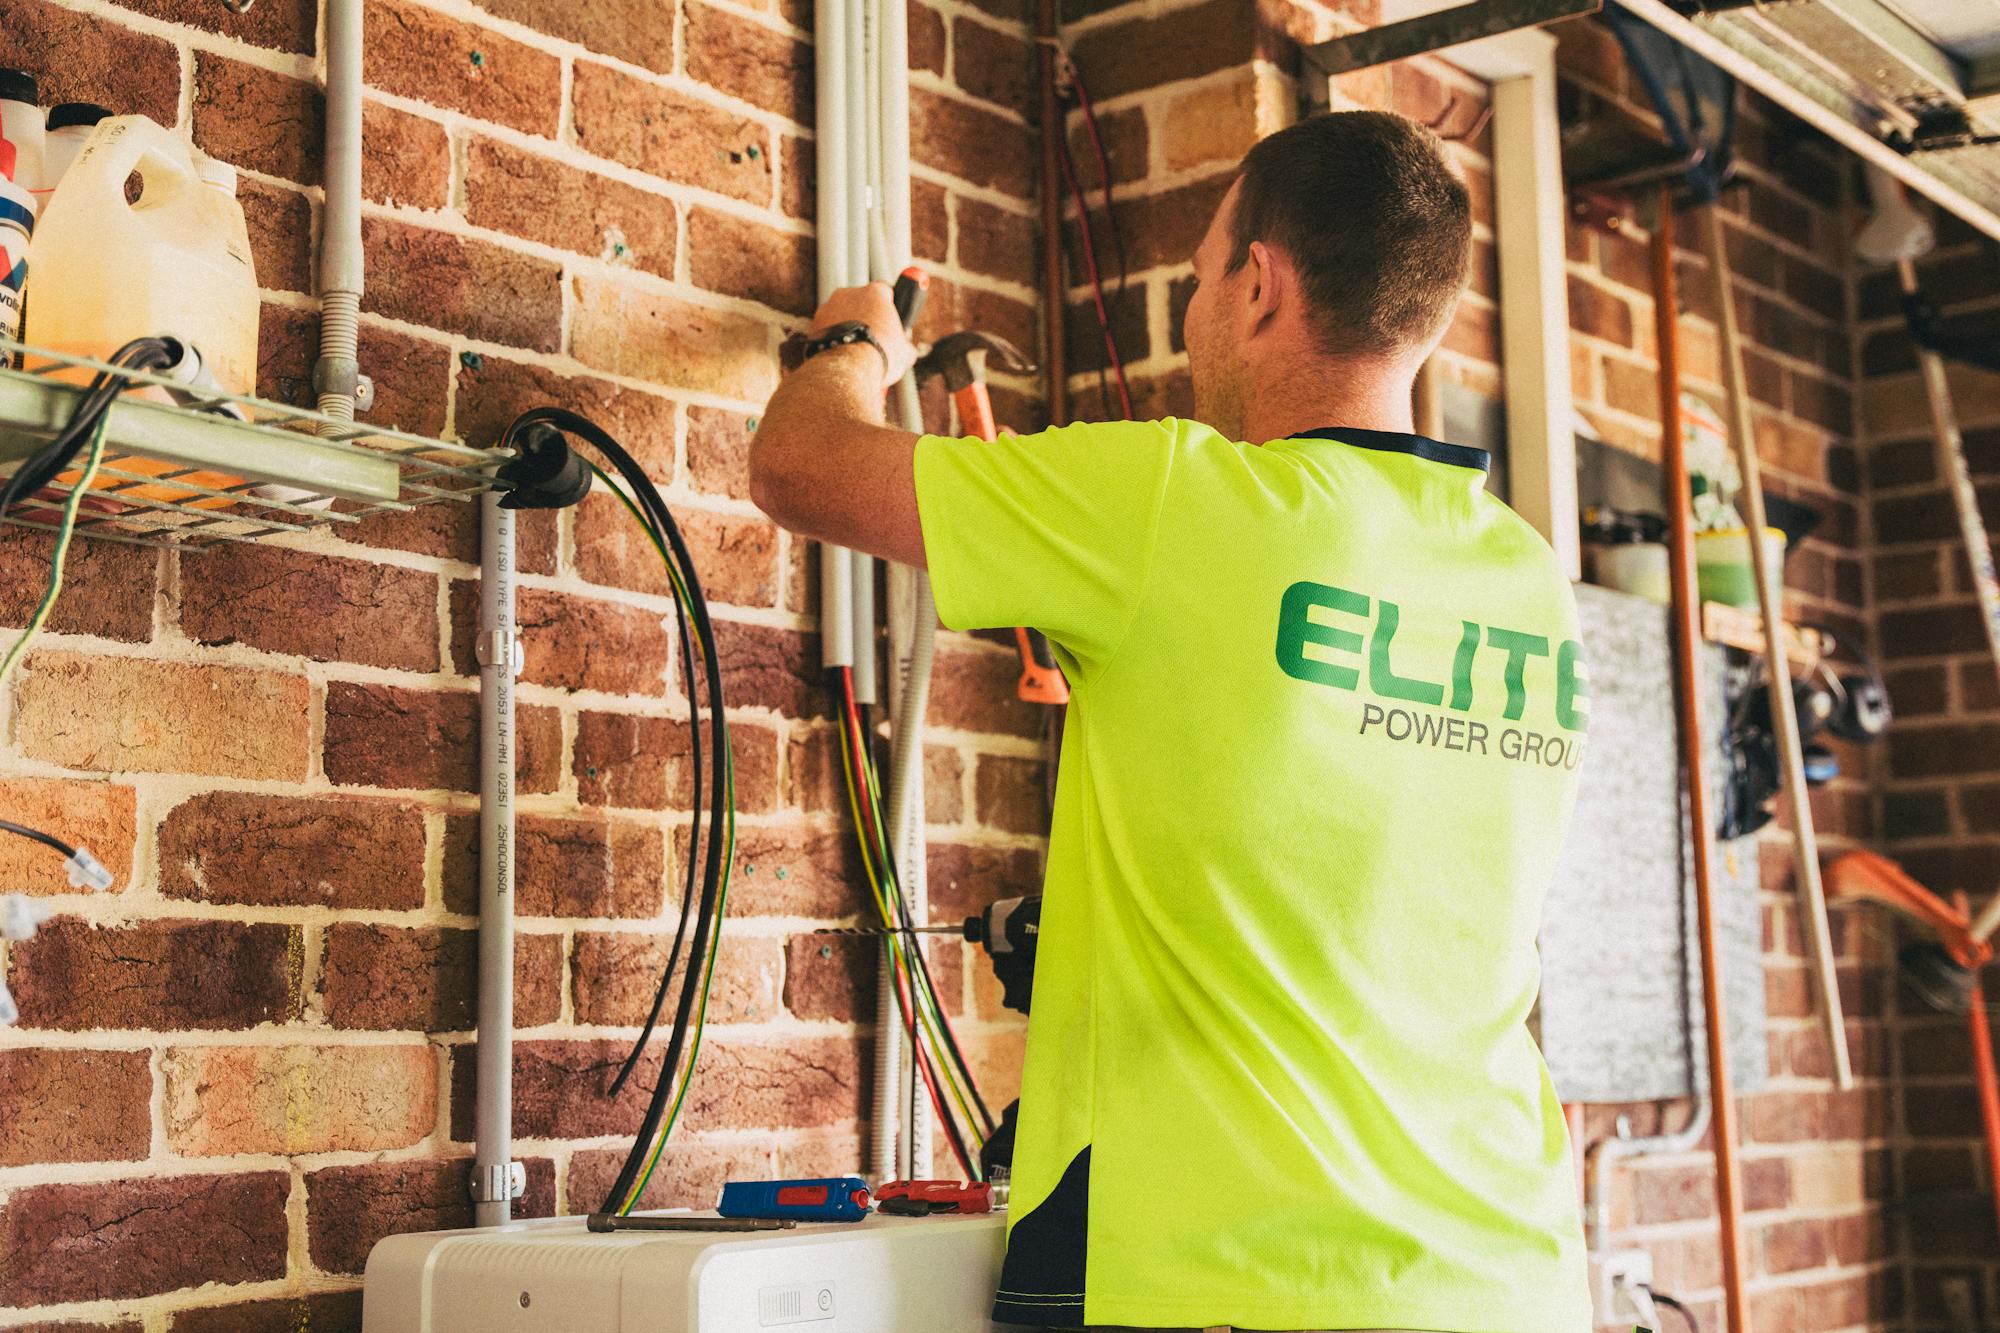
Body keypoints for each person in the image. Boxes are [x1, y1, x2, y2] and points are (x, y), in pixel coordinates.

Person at [749, 109, 1592, 1333]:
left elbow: (801, 464)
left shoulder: (1175, 503)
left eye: (1199, 278)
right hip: (1507, 1279)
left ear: (1258, 285)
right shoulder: (1527, 580)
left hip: (1234, 1282)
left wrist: (850, 341)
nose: (1195, 311)